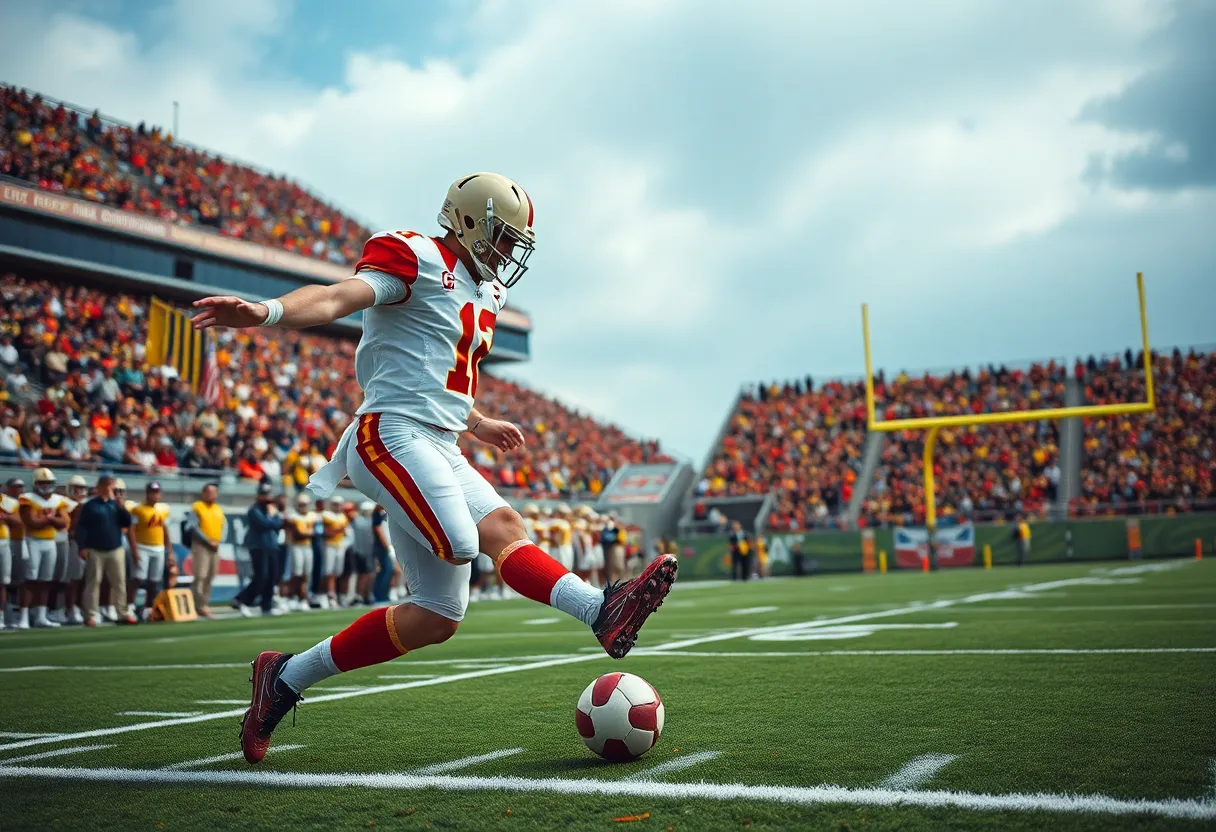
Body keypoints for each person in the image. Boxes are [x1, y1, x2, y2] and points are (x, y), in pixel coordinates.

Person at [193, 172, 677, 765]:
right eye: (501, 236)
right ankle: (601, 609)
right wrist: (265, 312)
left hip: (440, 440)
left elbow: (435, 367)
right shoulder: (416, 255)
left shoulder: (487, 292)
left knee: (443, 609)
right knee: (462, 541)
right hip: (388, 433)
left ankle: (285, 678)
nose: (507, 252)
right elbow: (335, 297)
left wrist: (477, 423)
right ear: (469, 221)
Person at [76, 473, 134, 627]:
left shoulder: (115, 505)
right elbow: (81, 527)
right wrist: (82, 546)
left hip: (115, 548)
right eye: (109, 484)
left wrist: (121, 507)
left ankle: (122, 612)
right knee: (93, 583)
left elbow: (127, 522)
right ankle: (91, 615)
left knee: (120, 583)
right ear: (100, 486)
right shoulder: (91, 505)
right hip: (95, 549)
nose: (112, 488)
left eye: (113, 485)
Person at [17, 468, 70, 628]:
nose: (46, 486)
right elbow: (32, 522)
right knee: (30, 579)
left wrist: (47, 518)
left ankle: (41, 615)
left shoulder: (58, 500)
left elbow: (64, 523)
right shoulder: (27, 498)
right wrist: (52, 519)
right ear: (35, 483)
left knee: (46, 580)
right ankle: (24, 616)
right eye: (42, 483)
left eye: (48, 483)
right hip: (32, 541)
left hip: (50, 542)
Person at [235, 483, 284, 617]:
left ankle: (266, 606)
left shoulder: (271, 510)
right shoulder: (254, 510)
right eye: (264, 495)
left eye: (268, 495)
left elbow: (279, 524)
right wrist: (273, 517)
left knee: (272, 577)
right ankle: (243, 600)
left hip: (272, 546)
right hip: (259, 547)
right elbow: (265, 524)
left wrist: (273, 518)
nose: (266, 498)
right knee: (261, 576)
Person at [127, 481, 172, 621]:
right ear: (147, 493)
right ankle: (129, 606)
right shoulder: (138, 509)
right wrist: (134, 549)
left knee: (154, 581)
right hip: (143, 546)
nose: (155, 495)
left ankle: (148, 608)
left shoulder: (163, 510)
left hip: (158, 547)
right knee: (138, 578)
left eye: (157, 492)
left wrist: (169, 550)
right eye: (153, 492)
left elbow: (165, 530)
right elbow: (131, 530)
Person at [187, 483, 226, 618]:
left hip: (215, 546)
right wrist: (207, 540)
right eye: (209, 492)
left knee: (210, 576)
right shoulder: (197, 507)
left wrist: (218, 541)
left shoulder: (218, 509)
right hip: (202, 545)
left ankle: (204, 604)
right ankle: (197, 605)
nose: (211, 495)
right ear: (203, 493)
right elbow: (192, 527)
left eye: (214, 492)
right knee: (200, 576)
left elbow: (223, 526)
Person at [284, 493, 315, 610]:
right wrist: (308, 533)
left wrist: (307, 533)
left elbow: (314, 532)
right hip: (296, 546)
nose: (304, 507)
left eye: (305, 504)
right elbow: (299, 534)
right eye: (301, 504)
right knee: (296, 573)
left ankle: (303, 597)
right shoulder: (293, 517)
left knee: (306, 574)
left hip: (307, 547)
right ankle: (292, 597)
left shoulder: (311, 516)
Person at [0, 479, 21, 631]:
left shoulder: (8, 502)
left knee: (3, 582)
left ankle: (1, 617)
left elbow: (19, 520)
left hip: (4, 542)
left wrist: (5, 517)